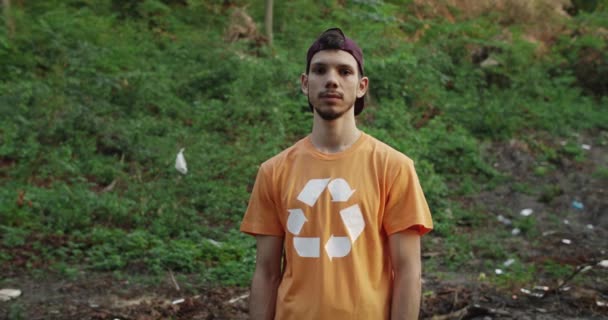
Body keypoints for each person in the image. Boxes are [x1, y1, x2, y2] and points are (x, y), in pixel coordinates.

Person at [240, 28, 433, 320]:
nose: (332, 79)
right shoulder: (273, 171)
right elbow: (266, 273)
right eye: (320, 70)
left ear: (361, 86)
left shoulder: (394, 167)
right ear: (305, 83)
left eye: (344, 71)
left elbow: (408, 271)